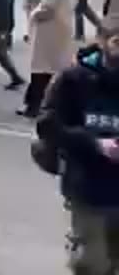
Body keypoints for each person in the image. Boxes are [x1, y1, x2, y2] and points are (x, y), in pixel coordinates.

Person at [35, 30, 119, 274]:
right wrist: (95, 144)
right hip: (87, 189)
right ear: (102, 41)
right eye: (117, 40)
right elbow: (47, 124)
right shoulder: (74, 80)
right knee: (91, 264)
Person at [23, 0, 79, 118]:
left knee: (41, 66)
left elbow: (47, 5)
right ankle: (42, 103)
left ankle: (35, 106)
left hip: (48, 26)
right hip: (62, 23)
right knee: (54, 66)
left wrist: (33, 17)